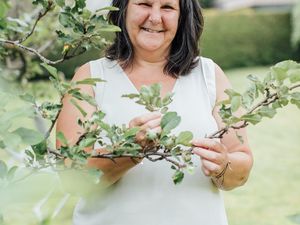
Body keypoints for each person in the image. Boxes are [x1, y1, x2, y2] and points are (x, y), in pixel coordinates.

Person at [56, 0, 253, 224]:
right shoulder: (90, 77)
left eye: (167, 7)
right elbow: (71, 179)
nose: (155, 17)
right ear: (123, 9)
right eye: (144, 3)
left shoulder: (209, 75)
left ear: (183, 16)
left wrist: (223, 164)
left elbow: (242, 162)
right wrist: (127, 151)